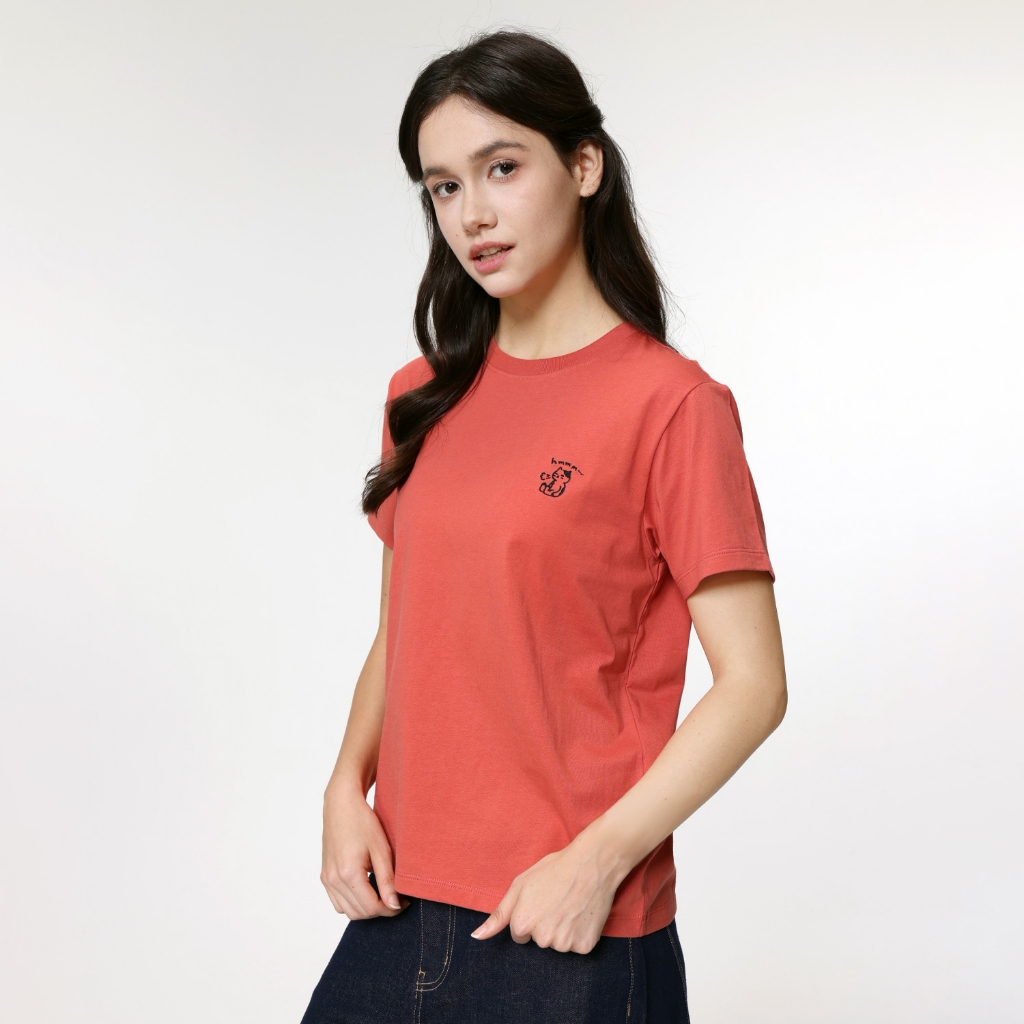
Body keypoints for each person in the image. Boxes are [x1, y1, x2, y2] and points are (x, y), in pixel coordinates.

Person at [301, 28, 787, 1024]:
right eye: (443, 187)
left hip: (565, 928)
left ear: (584, 165)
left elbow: (753, 685)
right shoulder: (420, 395)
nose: (472, 214)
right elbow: (406, 625)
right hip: (398, 904)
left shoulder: (672, 407)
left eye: (503, 168)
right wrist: (346, 784)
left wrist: (597, 862)